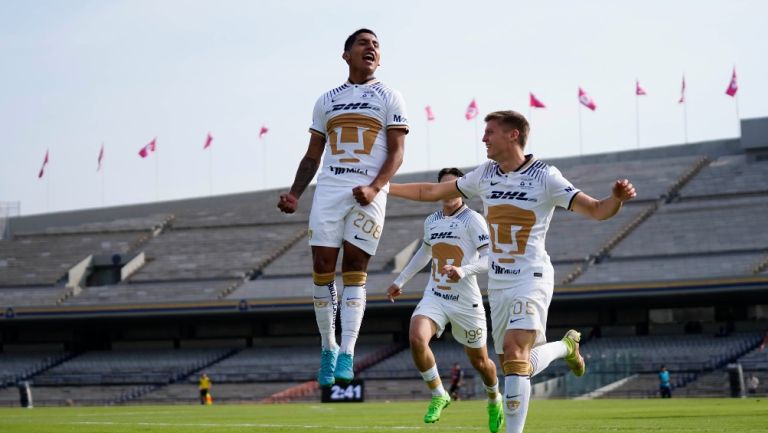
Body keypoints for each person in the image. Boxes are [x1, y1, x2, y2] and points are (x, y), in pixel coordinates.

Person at [388, 110, 636, 433]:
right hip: (499, 284)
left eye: (489, 132)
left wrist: (615, 199)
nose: (483, 138)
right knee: (515, 366)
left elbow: (597, 209)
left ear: (512, 135)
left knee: (517, 353)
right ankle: (565, 348)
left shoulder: (546, 176)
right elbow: (430, 193)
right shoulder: (485, 174)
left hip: (531, 277)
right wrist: (385, 187)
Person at [277, 28, 408, 387]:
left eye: (377, 45)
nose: (371, 48)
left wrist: (375, 187)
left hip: (369, 193)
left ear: (380, 59)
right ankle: (328, 347)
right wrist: (295, 193)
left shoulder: (390, 96)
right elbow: (312, 155)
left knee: (354, 268)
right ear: (346, 54)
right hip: (330, 191)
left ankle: (348, 350)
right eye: (363, 43)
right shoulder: (326, 100)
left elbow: (397, 152)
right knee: (321, 268)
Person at [386, 168, 503, 432]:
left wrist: (463, 270)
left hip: (465, 302)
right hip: (435, 295)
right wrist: (400, 280)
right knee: (416, 337)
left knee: (481, 363)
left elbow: (490, 259)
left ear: (461, 190)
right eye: (444, 186)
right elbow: (424, 254)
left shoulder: (473, 220)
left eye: (453, 186)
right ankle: (439, 393)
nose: (448, 191)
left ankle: (495, 399)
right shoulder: (432, 221)